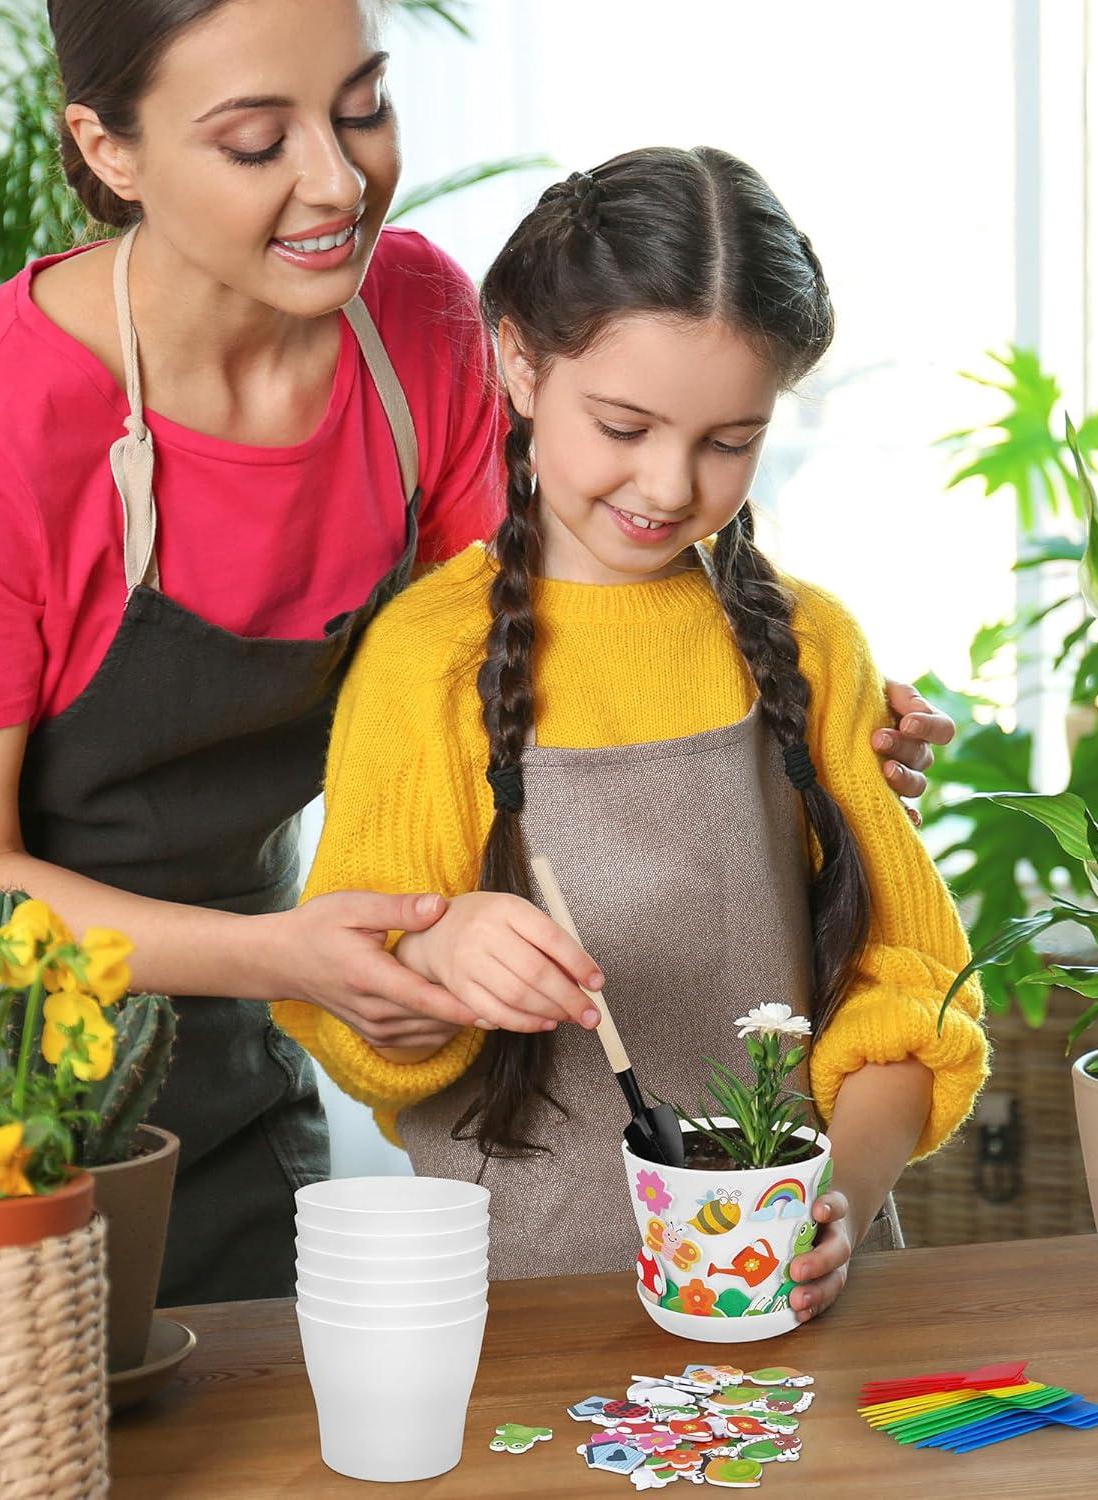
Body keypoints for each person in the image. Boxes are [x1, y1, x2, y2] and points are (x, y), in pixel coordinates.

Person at [0, 1, 951, 1305]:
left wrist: (799, 715)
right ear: (111, 149)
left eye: (362, 105)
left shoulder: (414, 327)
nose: (338, 180)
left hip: (241, 1045)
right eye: (258, 141)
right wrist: (294, 954)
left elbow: (533, 636)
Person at [273, 147, 990, 1321]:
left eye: (727, 441)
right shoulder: (427, 659)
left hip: (801, 1304)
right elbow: (355, 1021)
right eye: (623, 424)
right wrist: (439, 960)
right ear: (517, 361)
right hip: (524, 1324)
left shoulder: (811, 644)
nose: (667, 485)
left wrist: (841, 1198)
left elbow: (908, 987)